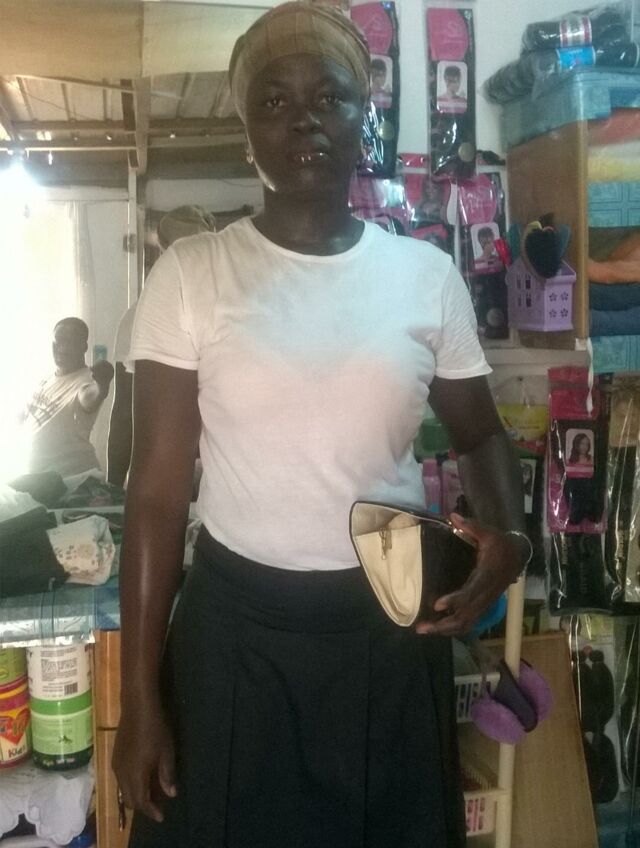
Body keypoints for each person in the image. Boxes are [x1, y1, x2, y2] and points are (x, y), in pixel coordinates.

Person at [113, 5, 530, 847]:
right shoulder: (193, 274)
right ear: (246, 132)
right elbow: (155, 494)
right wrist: (140, 699)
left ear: (361, 119)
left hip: (390, 626)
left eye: (328, 98)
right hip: (234, 638)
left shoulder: (425, 276)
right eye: (274, 101)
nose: (303, 119)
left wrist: (511, 538)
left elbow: (481, 434)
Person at [107, 206, 216, 487]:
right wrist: (114, 488)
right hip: (180, 472)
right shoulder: (138, 317)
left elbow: (124, 413)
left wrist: (115, 487)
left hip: (202, 473)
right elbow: (124, 413)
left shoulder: (139, 315)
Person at [21, 317, 114, 477]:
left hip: (71, 480)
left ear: (84, 346)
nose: (62, 348)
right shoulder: (47, 379)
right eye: (58, 341)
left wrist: (102, 385)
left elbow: (91, 396)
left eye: (69, 342)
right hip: (39, 478)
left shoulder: (86, 381)